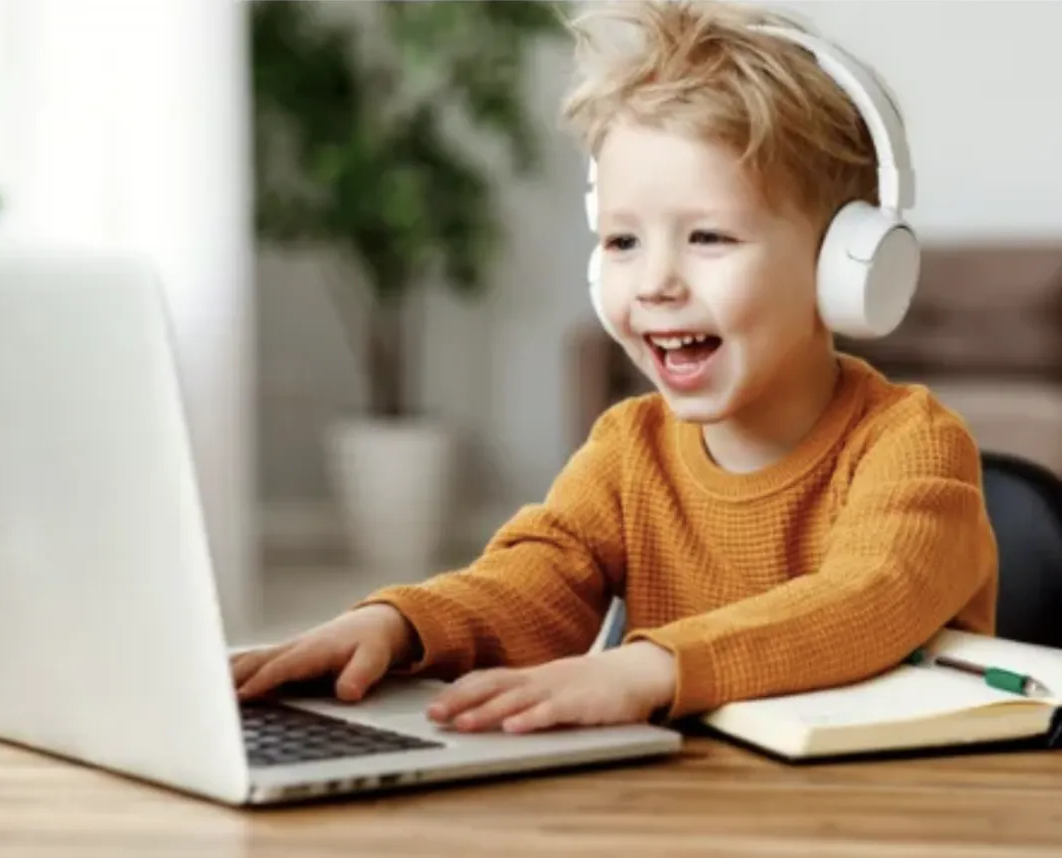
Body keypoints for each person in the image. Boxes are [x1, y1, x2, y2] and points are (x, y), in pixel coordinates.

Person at [232, 0, 998, 734]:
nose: (655, 281)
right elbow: (537, 579)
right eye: (623, 243)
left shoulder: (913, 446)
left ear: (846, 268)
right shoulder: (629, 448)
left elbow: (866, 599)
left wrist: (647, 672)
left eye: (708, 238)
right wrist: (396, 624)